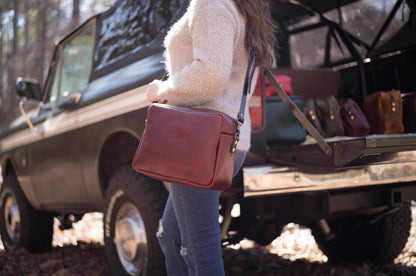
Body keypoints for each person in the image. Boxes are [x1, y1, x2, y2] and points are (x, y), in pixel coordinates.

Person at [146, 0, 276, 275]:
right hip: (224, 142)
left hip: (200, 143)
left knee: (198, 245)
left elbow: (209, 75)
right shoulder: (241, 6)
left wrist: (164, 89)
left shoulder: (211, 4)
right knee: (171, 236)